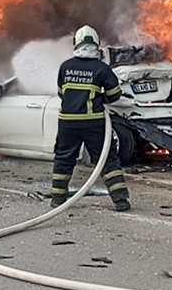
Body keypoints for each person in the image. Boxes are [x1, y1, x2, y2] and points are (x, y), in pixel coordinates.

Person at [49, 25, 130, 211]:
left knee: (63, 158)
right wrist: (100, 97)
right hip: (93, 122)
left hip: (67, 122)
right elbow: (115, 95)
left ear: (76, 43)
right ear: (96, 44)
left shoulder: (66, 67)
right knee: (106, 159)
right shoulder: (102, 69)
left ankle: (57, 199)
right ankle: (120, 200)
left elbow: (62, 93)